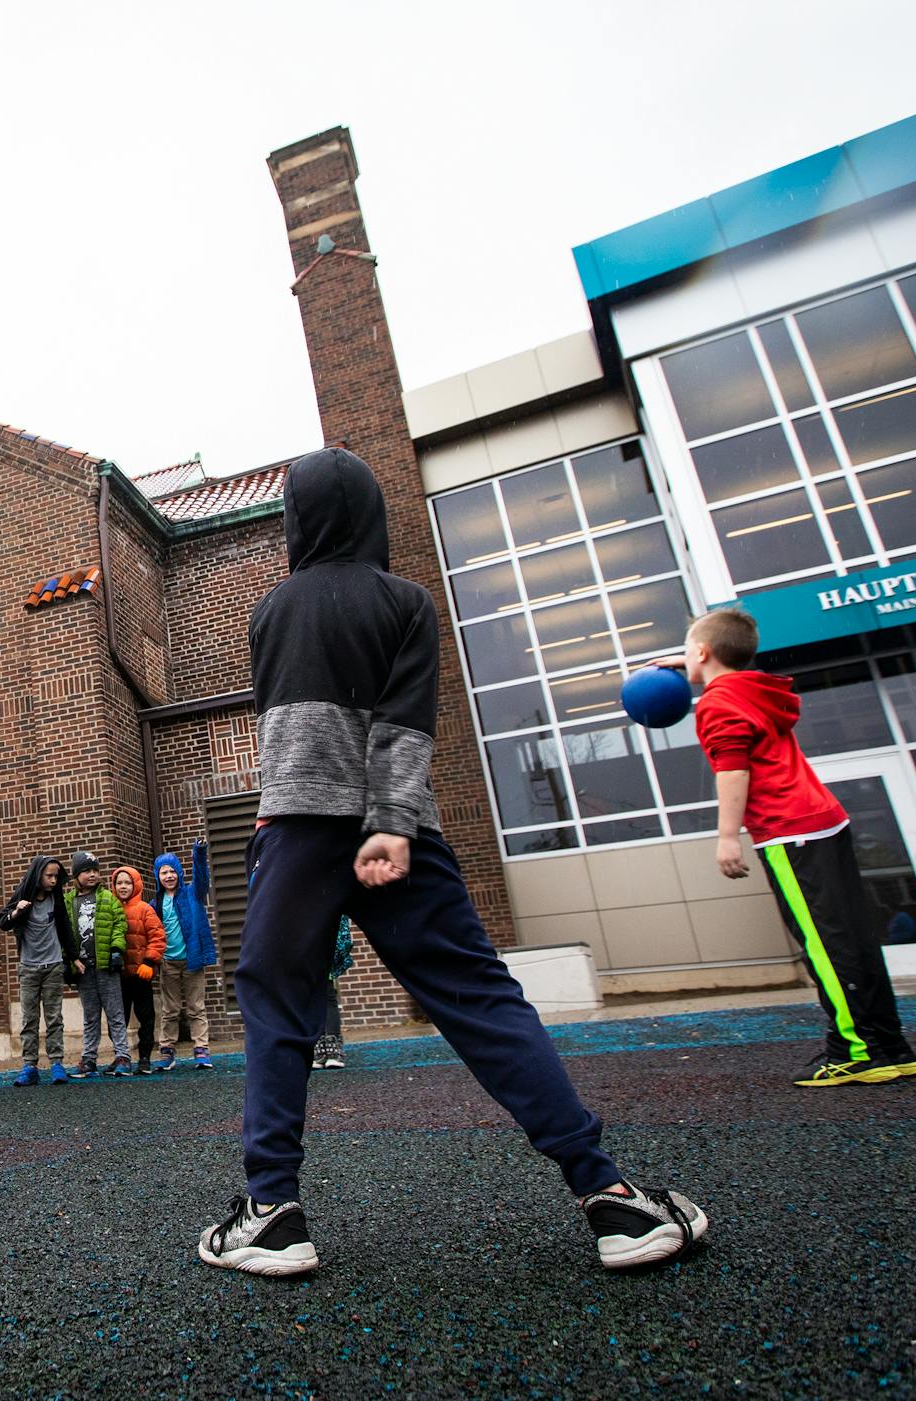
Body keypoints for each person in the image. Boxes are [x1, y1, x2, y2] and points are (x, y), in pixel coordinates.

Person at [199, 446, 708, 1278]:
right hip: (399, 831)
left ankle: (271, 1214)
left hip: (293, 826)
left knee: (276, 1006)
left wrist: (278, 834)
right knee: (479, 999)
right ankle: (608, 1195)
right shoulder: (406, 600)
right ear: (374, 516)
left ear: (295, 521)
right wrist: (393, 823)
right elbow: (404, 722)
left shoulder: (270, 608)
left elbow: (282, 735)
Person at [661, 608, 916, 1088]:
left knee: (824, 945)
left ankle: (857, 1049)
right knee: (854, 940)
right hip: (824, 820)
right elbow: (730, 663)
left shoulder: (718, 704)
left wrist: (726, 837)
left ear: (702, 652)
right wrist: (692, 662)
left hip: (789, 830)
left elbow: (733, 771)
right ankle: (890, 1045)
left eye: (688, 651)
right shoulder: (753, 688)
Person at [0, 855, 83, 1086]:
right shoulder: (23, 896)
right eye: (49, 875)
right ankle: (30, 1066)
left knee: (54, 1016)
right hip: (29, 967)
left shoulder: (56, 900)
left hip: (53, 965)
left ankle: (56, 1063)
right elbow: (3, 922)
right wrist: (17, 911)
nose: (54, 880)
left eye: (56, 876)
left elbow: (64, 927)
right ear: (38, 875)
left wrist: (74, 957)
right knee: (29, 1018)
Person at [151, 843, 219, 1070]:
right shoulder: (156, 904)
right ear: (157, 876)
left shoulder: (193, 894)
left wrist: (198, 854)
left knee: (196, 1007)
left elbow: (202, 877)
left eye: (172, 871)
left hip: (192, 959)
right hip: (168, 962)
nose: (168, 876)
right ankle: (167, 1051)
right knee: (169, 1010)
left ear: (179, 873)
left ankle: (201, 1049)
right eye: (164, 872)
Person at [63, 851, 130, 1078]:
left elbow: (119, 925)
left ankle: (122, 1056)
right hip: (83, 969)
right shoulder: (68, 901)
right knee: (90, 1016)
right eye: (86, 871)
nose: (92, 875)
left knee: (115, 1013)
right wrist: (69, 960)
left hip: (106, 966)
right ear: (76, 875)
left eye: (95, 870)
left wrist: (116, 950)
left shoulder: (108, 899)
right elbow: (64, 933)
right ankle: (89, 1058)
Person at [112, 866, 165, 1075]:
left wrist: (150, 962)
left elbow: (158, 937)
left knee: (146, 1017)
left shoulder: (145, 909)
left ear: (135, 884)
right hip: (118, 976)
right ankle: (121, 1056)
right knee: (118, 1019)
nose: (123, 886)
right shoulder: (111, 908)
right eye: (119, 883)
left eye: (127, 882)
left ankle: (144, 1057)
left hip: (141, 974)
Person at [313, 917, 352, 1071]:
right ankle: (325, 1047)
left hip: (319, 941)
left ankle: (327, 1047)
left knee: (323, 994)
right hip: (315, 939)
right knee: (320, 995)